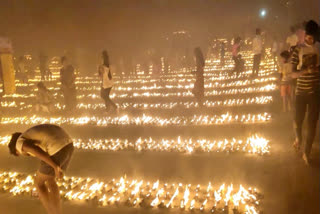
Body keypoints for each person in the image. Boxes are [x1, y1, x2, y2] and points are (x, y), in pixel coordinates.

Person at [8, 124, 74, 214]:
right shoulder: (29, 135)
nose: (25, 154)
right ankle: (57, 212)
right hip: (68, 145)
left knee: (38, 183)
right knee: (50, 180)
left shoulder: (19, 143)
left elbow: (35, 150)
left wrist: (55, 167)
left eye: (19, 153)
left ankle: (51, 212)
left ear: (16, 150)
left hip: (56, 148)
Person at [290, 20, 320, 165]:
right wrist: (307, 70)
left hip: (315, 92)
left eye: (314, 38)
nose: (311, 40)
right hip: (300, 92)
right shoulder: (298, 49)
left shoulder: (319, 48)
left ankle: (306, 152)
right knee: (297, 120)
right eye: (309, 37)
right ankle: (298, 139)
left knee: (312, 123)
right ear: (305, 35)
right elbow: (292, 74)